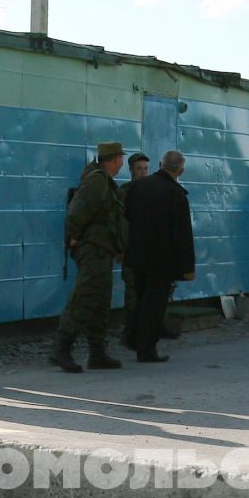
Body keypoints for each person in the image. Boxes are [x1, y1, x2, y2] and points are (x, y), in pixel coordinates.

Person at [54, 141, 129, 372]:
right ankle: (61, 350)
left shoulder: (102, 180)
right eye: (121, 158)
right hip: (93, 250)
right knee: (84, 299)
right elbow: (77, 210)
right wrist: (73, 237)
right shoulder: (97, 181)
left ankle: (97, 353)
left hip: (102, 250)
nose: (122, 163)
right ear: (115, 159)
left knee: (99, 302)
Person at [123, 150, 196, 363]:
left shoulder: (139, 186)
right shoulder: (176, 194)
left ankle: (134, 339)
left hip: (137, 255)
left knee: (140, 299)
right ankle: (146, 349)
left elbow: (126, 217)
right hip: (161, 260)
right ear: (180, 170)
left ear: (159, 164)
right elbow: (183, 235)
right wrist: (188, 267)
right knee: (154, 304)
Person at [118, 152, 149, 348]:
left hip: (146, 249)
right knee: (132, 293)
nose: (143, 172)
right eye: (140, 169)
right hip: (130, 249)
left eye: (146, 168)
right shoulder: (125, 192)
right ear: (131, 170)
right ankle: (130, 334)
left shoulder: (150, 189)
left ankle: (141, 333)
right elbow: (119, 222)